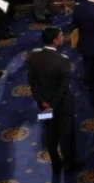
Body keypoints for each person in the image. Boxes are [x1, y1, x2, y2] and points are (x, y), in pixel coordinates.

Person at [27, 26, 79, 174]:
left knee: (50, 131)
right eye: (61, 36)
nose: (64, 38)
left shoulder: (33, 56)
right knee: (65, 133)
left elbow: (32, 83)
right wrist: (53, 105)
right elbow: (63, 88)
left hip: (43, 105)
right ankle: (68, 165)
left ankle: (55, 163)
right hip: (62, 105)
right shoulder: (63, 60)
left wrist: (42, 102)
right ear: (55, 41)